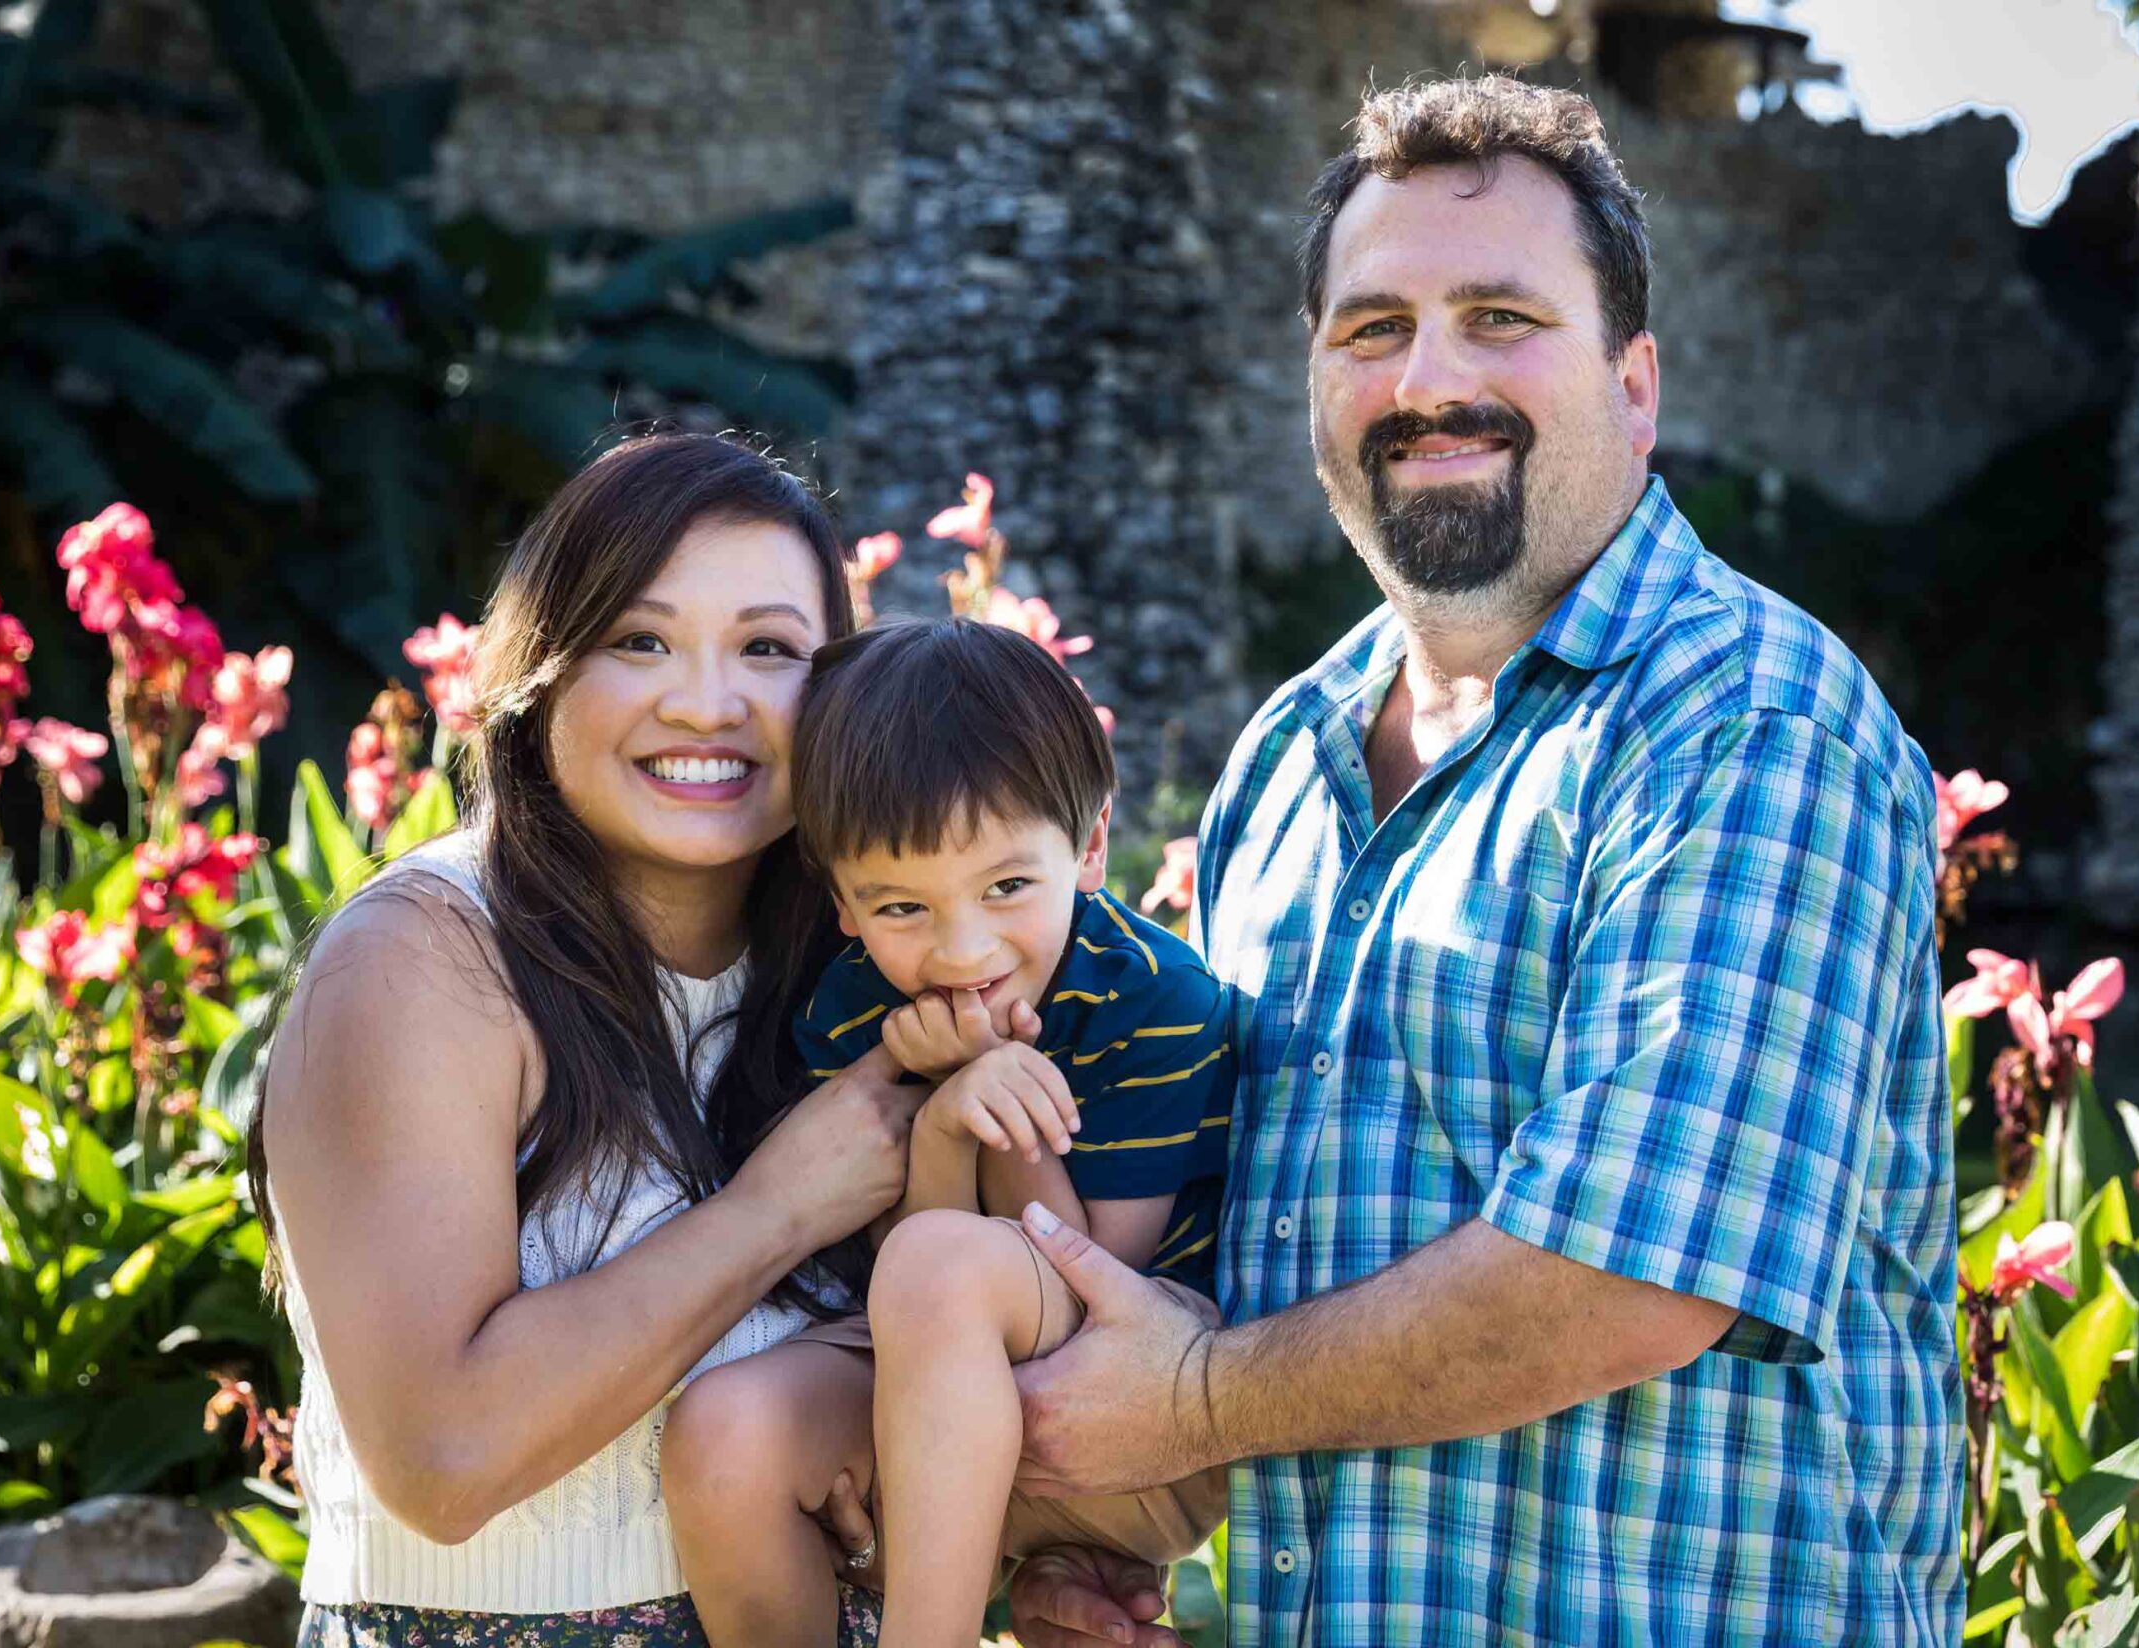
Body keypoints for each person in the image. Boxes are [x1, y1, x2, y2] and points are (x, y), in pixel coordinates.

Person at [1004, 74, 1963, 1647]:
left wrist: (1189, 1405)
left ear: (1635, 385)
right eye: (1369, 330)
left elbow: (1628, 1277)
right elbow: (1270, 1264)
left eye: (1502, 317)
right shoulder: (1283, 763)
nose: (1427, 379)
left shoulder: (1747, 725)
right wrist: (1116, 1535)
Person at [251, 433, 914, 1648]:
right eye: (640, 640)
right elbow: (443, 1456)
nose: (706, 702)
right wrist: (775, 1209)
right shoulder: (426, 958)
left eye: (769, 649)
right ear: (542, 674)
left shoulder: (858, 960)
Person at [659, 618, 1234, 1648]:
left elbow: (1096, 1277)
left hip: (1141, 1400)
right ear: (840, 899)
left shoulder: (1160, 1000)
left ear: (1091, 846)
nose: (961, 949)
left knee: (943, 1262)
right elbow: (907, 1274)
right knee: (723, 1434)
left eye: (1007, 886)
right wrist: (948, 1121)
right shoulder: (853, 1004)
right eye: (900, 905)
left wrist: (993, 1099)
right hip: (941, 1399)